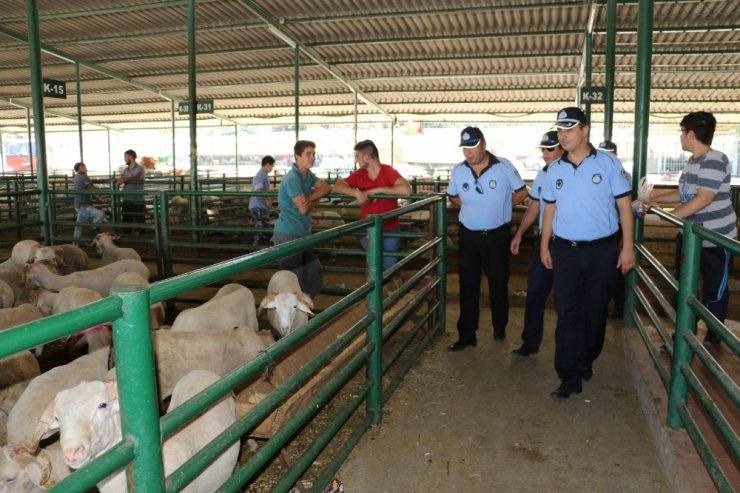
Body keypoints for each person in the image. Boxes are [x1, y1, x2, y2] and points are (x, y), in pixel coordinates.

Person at [540, 107, 635, 399]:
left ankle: (587, 357)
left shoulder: (607, 164)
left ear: (585, 130)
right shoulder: (554, 169)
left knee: (595, 312)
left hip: (602, 251)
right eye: (560, 130)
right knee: (567, 314)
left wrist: (627, 246)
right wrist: (544, 245)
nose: (563, 135)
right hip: (565, 251)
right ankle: (568, 375)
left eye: (569, 129)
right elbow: (550, 210)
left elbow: (624, 207)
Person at [649, 111, 737, 347]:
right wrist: (654, 202)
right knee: (684, 286)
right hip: (690, 237)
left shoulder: (716, 159)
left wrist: (674, 217)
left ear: (691, 134)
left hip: (716, 239)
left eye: (682, 132)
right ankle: (684, 335)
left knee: (714, 289)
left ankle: (714, 333)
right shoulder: (693, 162)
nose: (680, 137)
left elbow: (704, 198)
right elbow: (684, 193)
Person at [446, 127, 528, 352]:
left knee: (498, 283)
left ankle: (499, 325)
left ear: (483, 144)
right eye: (464, 149)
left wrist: (502, 206)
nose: (468, 153)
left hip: (497, 237)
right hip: (469, 236)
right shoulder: (459, 171)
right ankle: (467, 334)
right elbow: (453, 196)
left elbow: (522, 191)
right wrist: (473, 208)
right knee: (468, 286)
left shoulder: (503, 166)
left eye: (472, 147)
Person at [509, 131, 563, 356]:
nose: (545, 154)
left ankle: (568, 350)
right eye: (543, 149)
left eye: (550, 149)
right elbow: (535, 206)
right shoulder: (543, 174)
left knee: (566, 299)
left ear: (562, 149)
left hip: (566, 242)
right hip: (544, 240)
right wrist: (520, 232)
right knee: (535, 294)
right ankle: (530, 342)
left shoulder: (574, 174)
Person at [331, 139, 412, 269]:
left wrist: (379, 189)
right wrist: (357, 193)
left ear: (367, 157)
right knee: (373, 267)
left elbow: (406, 190)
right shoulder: (359, 175)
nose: (356, 160)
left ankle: (385, 287)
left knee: (388, 268)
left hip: (390, 228)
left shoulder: (388, 171)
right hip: (369, 229)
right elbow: (337, 186)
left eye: (357, 156)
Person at [272, 140, 331, 297]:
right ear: (297, 156)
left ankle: (303, 309)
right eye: (308, 154)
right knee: (292, 278)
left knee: (312, 275)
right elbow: (303, 209)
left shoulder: (307, 174)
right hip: (288, 233)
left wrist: (310, 197)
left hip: (302, 232)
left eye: (313, 154)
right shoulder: (293, 179)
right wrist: (316, 199)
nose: (312, 157)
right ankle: (289, 316)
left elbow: (326, 187)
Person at [598, 139, 626, 319]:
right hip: (605, 227)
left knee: (615, 270)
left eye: (610, 153)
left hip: (617, 227)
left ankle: (619, 307)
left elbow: (624, 206)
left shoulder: (621, 173)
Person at [72, 162, 105, 246]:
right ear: (79, 168)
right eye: (83, 166)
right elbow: (91, 187)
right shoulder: (83, 176)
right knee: (100, 214)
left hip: (79, 204)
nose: (85, 167)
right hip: (83, 205)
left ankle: (75, 245)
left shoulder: (77, 177)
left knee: (79, 226)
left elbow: (88, 188)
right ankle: (93, 228)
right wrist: (99, 196)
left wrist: (96, 195)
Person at [115, 149, 145, 234]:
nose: (124, 159)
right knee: (126, 220)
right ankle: (128, 238)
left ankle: (142, 239)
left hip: (137, 199)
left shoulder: (139, 168)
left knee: (140, 221)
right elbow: (121, 180)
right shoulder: (126, 170)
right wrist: (120, 180)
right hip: (127, 199)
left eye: (125, 157)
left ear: (130, 157)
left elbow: (138, 177)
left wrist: (125, 179)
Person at [249, 155, 276, 246]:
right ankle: (254, 249)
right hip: (258, 206)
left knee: (262, 227)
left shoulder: (263, 174)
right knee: (261, 228)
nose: (272, 168)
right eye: (272, 166)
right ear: (268, 164)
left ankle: (257, 249)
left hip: (260, 206)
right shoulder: (261, 175)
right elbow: (259, 190)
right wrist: (268, 199)